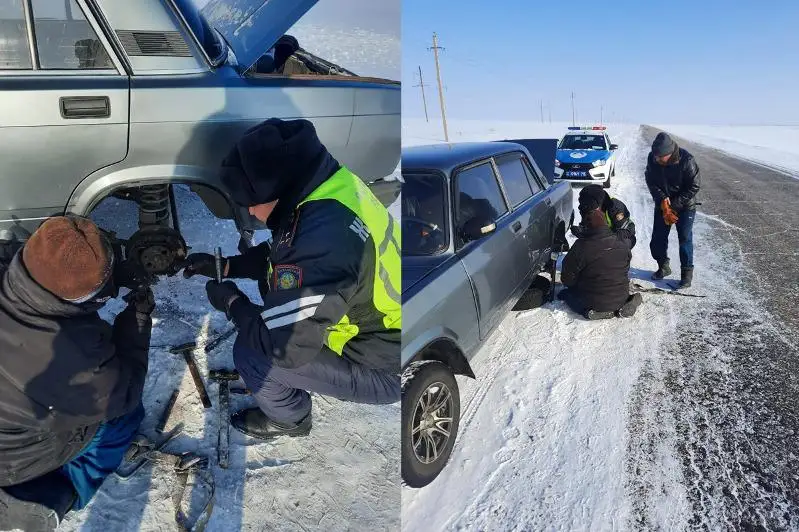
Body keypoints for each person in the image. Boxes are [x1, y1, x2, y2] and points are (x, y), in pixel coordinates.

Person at [182, 118, 400, 440]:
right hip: (379, 327)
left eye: (252, 204)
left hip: (384, 365)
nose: (252, 214)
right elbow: (286, 253)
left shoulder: (323, 241)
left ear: (274, 191)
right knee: (272, 304)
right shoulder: (327, 188)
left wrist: (232, 304)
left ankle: (290, 420)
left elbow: (285, 348)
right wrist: (228, 267)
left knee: (254, 353)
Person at [0, 216, 154, 530]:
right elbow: (124, 391)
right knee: (122, 419)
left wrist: (110, 275)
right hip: (10, 460)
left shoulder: (10, 263)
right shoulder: (71, 358)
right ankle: (58, 493)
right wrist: (137, 320)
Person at [560, 208, 642, 320]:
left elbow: (567, 278)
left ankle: (588, 312)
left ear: (587, 227)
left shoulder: (581, 246)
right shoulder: (621, 244)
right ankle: (629, 301)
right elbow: (625, 269)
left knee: (566, 294)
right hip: (621, 297)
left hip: (592, 301)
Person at [645, 132, 701, 287]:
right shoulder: (652, 158)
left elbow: (694, 186)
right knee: (657, 239)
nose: (656, 159)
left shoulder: (687, 160)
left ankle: (686, 275)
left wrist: (675, 204)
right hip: (663, 205)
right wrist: (662, 198)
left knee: (684, 238)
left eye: (660, 157)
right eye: (655, 156)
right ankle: (663, 266)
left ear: (669, 153)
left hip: (684, 206)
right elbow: (650, 179)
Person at [571, 184, 637, 247]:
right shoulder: (586, 208)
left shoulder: (616, 207)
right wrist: (581, 232)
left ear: (595, 203)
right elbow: (587, 227)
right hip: (603, 235)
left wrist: (601, 240)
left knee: (625, 242)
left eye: (587, 205)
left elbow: (624, 232)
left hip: (621, 235)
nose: (583, 207)